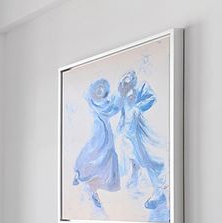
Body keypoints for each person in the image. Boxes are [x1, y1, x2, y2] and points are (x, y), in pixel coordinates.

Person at [116, 70, 167, 210]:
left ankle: (159, 191)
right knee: (132, 157)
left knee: (145, 159)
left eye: (128, 80)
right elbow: (123, 111)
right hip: (126, 132)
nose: (126, 83)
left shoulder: (140, 89)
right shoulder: (124, 94)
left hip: (137, 129)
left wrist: (138, 108)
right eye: (124, 81)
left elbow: (151, 98)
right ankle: (136, 180)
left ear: (133, 79)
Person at [71, 78, 121, 212]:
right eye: (98, 88)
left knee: (105, 158)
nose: (100, 90)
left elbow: (114, 109)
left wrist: (118, 99)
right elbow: (111, 110)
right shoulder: (94, 103)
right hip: (98, 133)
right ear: (94, 91)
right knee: (90, 152)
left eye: (102, 89)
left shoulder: (107, 103)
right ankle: (79, 174)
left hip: (107, 134)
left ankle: (93, 189)